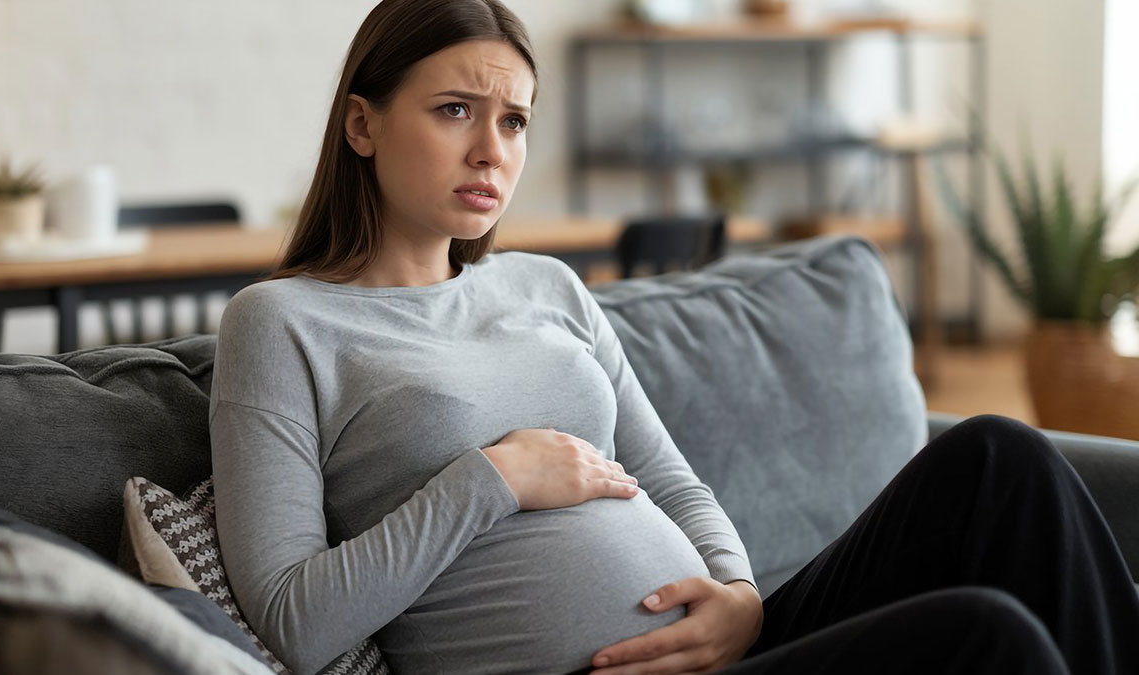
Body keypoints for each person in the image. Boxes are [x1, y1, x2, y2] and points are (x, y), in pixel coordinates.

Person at [208, 1, 1139, 674]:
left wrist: (735, 595)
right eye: (455, 110)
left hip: (725, 643)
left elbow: (674, 479)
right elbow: (294, 619)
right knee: (990, 637)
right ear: (363, 124)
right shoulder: (284, 323)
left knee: (998, 458)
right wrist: (490, 480)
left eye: (515, 120)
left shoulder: (548, 287)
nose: (492, 150)